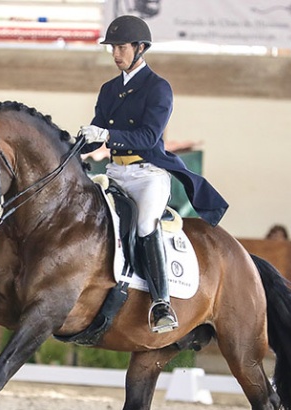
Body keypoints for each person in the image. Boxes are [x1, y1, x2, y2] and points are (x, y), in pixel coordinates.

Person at [79, 15, 228, 333]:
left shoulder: (158, 88)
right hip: (115, 172)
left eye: (121, 47)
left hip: (148, 173)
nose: (116, 54)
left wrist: (105, 136)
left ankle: (162, 303)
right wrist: (79, 145)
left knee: (146, 224)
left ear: (140, 47)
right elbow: (98, 130)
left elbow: (148, 137)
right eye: (113, 48)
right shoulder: (108, 90)